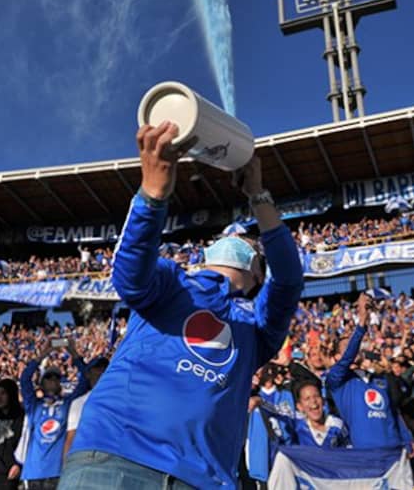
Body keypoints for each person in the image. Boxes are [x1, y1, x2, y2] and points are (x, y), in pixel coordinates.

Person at [62, 122, 304, 489]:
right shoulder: (172, 280)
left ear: (258, 273)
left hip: (203, 478)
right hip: (115, 458)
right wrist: (153, 195)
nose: (236, 239)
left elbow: (288, 280)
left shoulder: (257, 326)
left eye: (250, 242)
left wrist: (258, 194)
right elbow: (128, 276)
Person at [325, 293, 414, 486]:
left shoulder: (379, 379)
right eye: (347, 346)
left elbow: (392, 412)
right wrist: (362, 322)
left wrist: (407, 438)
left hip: (394, 454)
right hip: (364, 458)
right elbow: (347, 358)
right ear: (336, 357)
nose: (354, 348)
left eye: (354, 345)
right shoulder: (336, 380)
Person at [15, 341, 86, 490]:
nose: (53, 380)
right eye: (48, 377)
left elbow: (86, 380)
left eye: (56, 377)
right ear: (41, 383)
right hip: (33, 472)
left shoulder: (67, 403)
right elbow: (25, 379)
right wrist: (42, 354)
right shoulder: (34, 404)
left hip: (57, 472)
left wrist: (73, 353)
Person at [290, 380, 350, 448]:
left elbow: (349, 450)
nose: (313, 401)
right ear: (299, 406)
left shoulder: (338, 425)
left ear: (323, 400)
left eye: (316, 396)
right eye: (307, 398)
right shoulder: (297, 429)